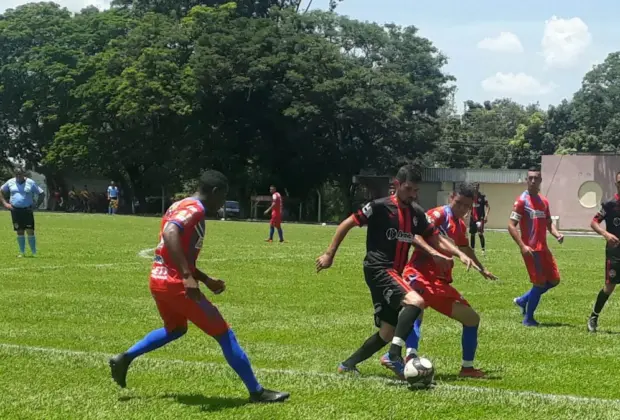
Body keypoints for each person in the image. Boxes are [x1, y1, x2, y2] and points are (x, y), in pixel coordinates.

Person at [109, 170, 289, 403]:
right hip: (175, 283)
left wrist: (204, 279)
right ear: (215, 192)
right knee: (224, 334)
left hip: (158, 278)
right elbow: (170, 232)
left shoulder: (179, 204)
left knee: (175, 329)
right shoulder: (196, 209)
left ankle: (125, 357)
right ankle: (256, 391)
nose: (222, 203)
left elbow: (176, 248)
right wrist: (186, 276)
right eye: (223, 197)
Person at [315, 164, 475, 379]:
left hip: (394, 273)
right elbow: (347, 223)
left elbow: (434, 236)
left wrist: (458, 253)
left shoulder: (416, 213)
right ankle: (394, 356)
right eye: (409, 189)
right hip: (379, 268)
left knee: (388, 331)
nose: (413, 194)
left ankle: (348, 364)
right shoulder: (380, 207)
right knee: (416, 302)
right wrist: (329, 254)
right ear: (397, 185)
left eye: (416, 190)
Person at [403, 182, 496, 378]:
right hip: (421, 274)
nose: (462, 209)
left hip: (439, 281)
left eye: (466, 206)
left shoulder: (459, 224)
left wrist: (482, 269)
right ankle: (408, 357)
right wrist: (433, 252)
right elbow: (414, 235)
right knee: (416, 312)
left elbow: (464, 248)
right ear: (451, 197)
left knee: (470, 318)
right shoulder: (438, 215)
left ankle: (466, 368)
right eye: (459, 203)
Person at [509, 167, 564, 327]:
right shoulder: (521, 201)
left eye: (536, 178)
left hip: (543, 249)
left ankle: (523, 300)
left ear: (540, 181)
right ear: (527, 180)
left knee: (554, 280)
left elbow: (548, 223)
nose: (533, 181)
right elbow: (511, 226)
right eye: (530, 178)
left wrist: (557, 234)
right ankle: (529, 318)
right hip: (531, 251)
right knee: (539, 284)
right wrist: (522, 246)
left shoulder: (544, 201)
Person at [587, 171, 620, 332]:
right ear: (616, 184)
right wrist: (606, 234)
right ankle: (593, 317)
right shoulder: (609, 205)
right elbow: (594, 223)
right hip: (615, 253)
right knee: (609, 287)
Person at [0, 168, 44, 257]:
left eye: (20, 174)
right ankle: (22, 252)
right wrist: (5, 204)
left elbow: (41, 193)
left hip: (27, 210)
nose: (18, 176)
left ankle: (33, 252)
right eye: (16, 174)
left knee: (30, 230)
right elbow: (1, 191)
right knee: (19, 231)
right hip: (15, 210)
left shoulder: (30, 182)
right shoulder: (10, 182)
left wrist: (36, 205)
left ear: (24, 174)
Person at [469, 183, 490, 255]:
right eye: (474, 187)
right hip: (473, 218)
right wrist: (466, 213)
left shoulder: (482, 197)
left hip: (480, 218)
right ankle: (472, 250)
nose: (475, 188)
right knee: (472, 234)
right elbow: (469, 206)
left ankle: (483, 250)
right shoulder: (470, 198)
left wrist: (486, 216)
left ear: (478, 187)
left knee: (480, 233)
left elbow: (488, 207)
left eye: (476, 187)